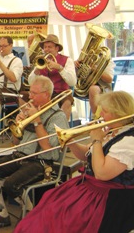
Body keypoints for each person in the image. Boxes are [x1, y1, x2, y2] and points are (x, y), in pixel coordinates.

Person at [15, 91, 134, 233]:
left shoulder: (129, 141)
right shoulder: (112, 131)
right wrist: (70, 141)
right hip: (91, 189)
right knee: (49, 207)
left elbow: (102, 173)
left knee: (60, 219)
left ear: (118, 113)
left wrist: (96, 140)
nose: (101, 115)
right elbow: (86, 156)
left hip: (108, 199)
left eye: (105, 111)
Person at [0, 76, 69, 230]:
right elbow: (15, 142)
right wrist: (19, 124)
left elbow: (48, 148)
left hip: (41, 161)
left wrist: (36, 121)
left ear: (47, 94)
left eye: (34, 93)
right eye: (30, 92)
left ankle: (30, 213)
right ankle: (2, 214)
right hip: (20, 155)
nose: (30, 96)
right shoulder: (29, 109)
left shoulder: (58, 116)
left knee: (10, 185)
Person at [28, 34, 76, 120]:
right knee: (22, 96)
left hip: (61, 93)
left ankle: (62, 127)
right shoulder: (40, 60)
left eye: (49, 47)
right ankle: (34, 124)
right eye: (45, 47)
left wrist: (59, 68)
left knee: (68, 102)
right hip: (44, 93)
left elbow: (72, 82)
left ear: (57, 48)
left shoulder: (67, 60)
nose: (46, 50)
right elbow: (30, 82)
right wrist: (36, 71)